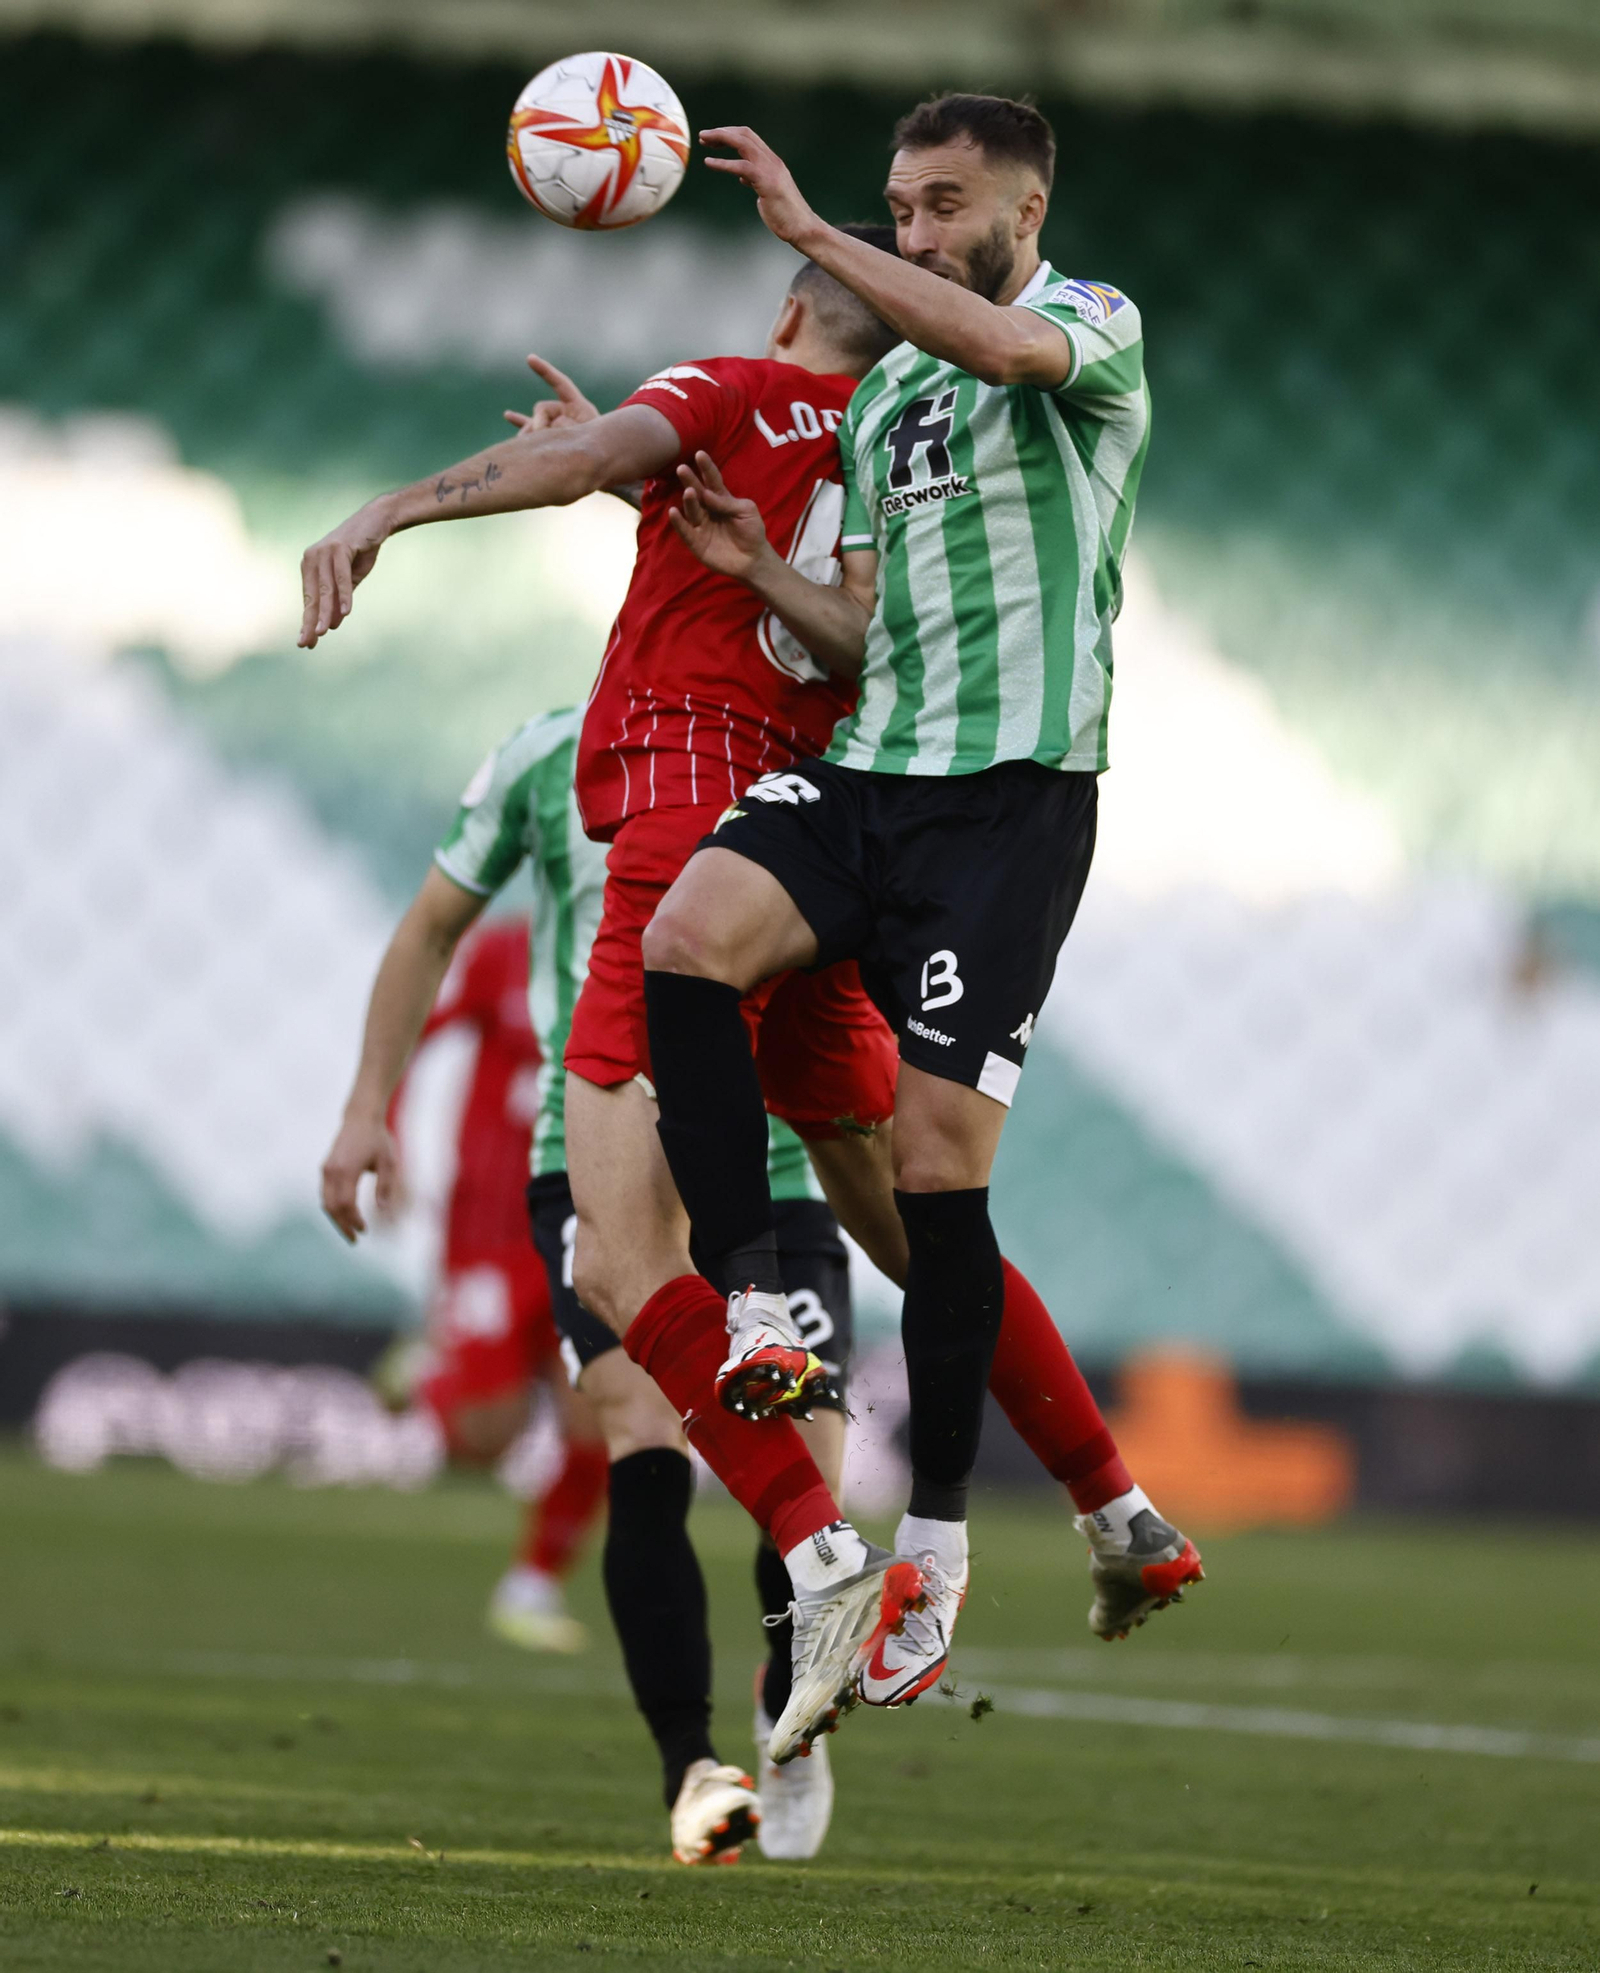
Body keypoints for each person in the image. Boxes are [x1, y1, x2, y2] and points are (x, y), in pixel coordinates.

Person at [301, 215, 1199, 1780]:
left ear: (787, 305)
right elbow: (798, 609)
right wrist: (624, 468)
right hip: (824, 834)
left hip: (686, 841)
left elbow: (601, 471)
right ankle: (1113, 1501)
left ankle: (818, 1548)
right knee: (910, 1213)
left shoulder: (716, 387)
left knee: (618, 1242)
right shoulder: (886, 445)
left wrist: (398, 505)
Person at [639, 91, 1201, 1757]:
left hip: (1012, 802)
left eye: (945, 204)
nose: (916, 230)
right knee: (689, 937)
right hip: (879, 775)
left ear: (1026, 209)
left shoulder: (1087, 324)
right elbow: (865, 628)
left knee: (940, 1168)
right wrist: (756, 566)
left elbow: (1019, 357)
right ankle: (753, 1297)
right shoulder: (887, 398)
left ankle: (939, 1543)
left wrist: (810, 239)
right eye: (897, 205)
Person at [321, 705, 857, 1865]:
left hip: (769, 1159)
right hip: (594, 1157)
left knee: (810, 1473)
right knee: (636, 1425)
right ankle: (689, 1766)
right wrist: (369, 1102)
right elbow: (429, 928)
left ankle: (788, 1714)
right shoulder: (546, 755)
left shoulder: (810, 733)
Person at [386, 913, 606, 1655]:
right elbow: (414, 1025)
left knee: (599, 1416)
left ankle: (532, 1583)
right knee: (485, 1438)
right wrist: (381, 1124)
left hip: (591, 1226)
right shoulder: (505, 949)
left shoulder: (653, 941)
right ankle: (432, 1374)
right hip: (491, 1225)